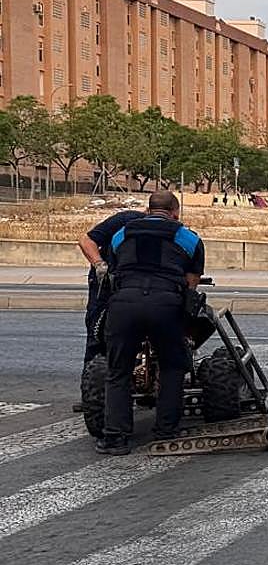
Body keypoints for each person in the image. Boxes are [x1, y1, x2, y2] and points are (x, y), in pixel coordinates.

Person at [95, 191, 206, 456]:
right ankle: (165, 431)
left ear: (148, 209)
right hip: (164, 305)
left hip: (124, 304)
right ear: (175, 212)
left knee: (118, 370)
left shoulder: (121, 234)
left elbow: (114, 269)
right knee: (172, 366)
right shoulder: (188, 237)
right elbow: (191, 283)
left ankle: (115, 438)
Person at [77, 205, 146, 363]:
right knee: (98, 334)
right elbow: (86, 241)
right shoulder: (125, 220)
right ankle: (94, 374)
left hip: (133, 286)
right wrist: (100, 265)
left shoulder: (167, 230)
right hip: (105, 284)